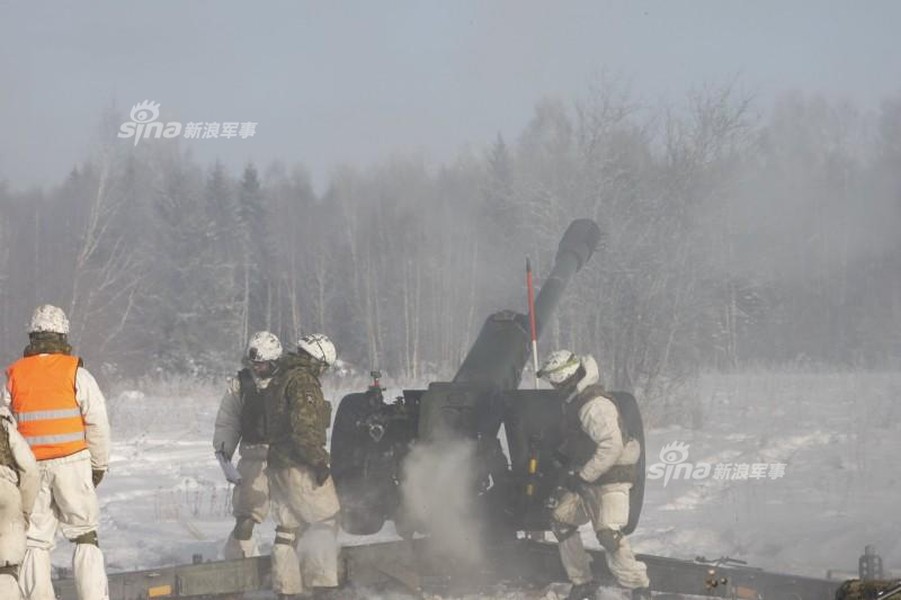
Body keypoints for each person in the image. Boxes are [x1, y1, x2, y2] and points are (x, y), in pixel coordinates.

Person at [3, 304, 111, 600]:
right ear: (63, 336)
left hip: (32, 469)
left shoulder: (14, 376)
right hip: (73, 464)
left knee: (35, 541)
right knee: (85, 534)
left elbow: (6, 430)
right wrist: (98, 465)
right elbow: (97, 422)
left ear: (32, 336)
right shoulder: (76, 372)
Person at [537, 350, 650, 600]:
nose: (554, 387)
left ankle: (638, 589)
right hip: (592, 478)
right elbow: (583, 440)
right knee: (561, 520)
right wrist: (564, 457)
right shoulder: (579, 402)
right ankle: (583, 582)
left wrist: (583, 476)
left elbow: (611, 446)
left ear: (566, 378)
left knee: (608, 533)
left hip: (611, 479)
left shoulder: (594, 405)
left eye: (555, 382)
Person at [265, 334, 340, 600]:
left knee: (287, 528)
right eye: (324, 366)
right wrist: (318, 461)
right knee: (325, 518)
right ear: (317, 360)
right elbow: (304, 427)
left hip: (277, 464)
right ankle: (322, 585)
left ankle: (287, 590)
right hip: (299, 464)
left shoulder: (279, 377)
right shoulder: (303, 382)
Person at [213, 331, 283, 559]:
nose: (257, 368)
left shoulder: (290, 382)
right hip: (253, 457)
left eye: (262, 364)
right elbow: (228, 420)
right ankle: (237, 566)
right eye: (254, 363)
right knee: (245, 519)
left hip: (287, 458)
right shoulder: (240, 385)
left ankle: (292, 565)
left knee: (294, 519)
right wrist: (224, 452)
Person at [0, 406, 39, 600]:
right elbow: (30, 471)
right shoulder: (5, 426)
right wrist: (24, 511)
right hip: (5, 493)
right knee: (5, 570)